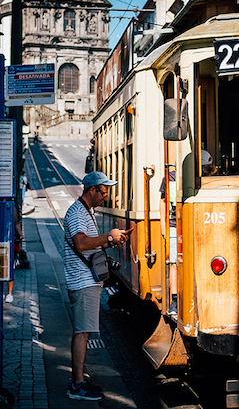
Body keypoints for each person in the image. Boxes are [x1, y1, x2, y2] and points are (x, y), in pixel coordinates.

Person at [63, 172, 127, 401]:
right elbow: (81, 244)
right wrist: (108, 239)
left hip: (85, 281)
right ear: (92, 190)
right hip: (82, 281)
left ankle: (78, 381)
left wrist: (111, 240)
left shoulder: (85, 211)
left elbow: (89, 245)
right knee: (82, 332)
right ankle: (77, 385)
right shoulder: (78, 212)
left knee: (84, 330)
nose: (105, 197)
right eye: (103, 192)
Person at [160, 150, 213, 317]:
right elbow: (163, 200)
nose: (203, 172)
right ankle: (175, 300)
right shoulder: (171, 178)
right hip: (176, 225)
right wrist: (163, 225)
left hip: (201, 224)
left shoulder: (209, 180)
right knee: (175, 262)